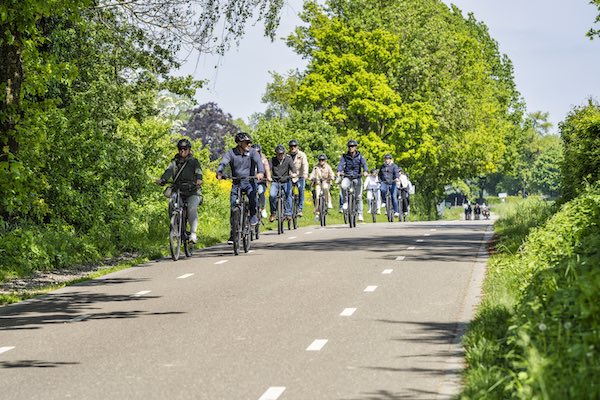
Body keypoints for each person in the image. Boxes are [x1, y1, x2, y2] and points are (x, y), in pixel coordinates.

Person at [216, 132, 265, 244]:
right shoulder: (231, 153)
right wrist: (219, 171)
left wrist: (261, 172)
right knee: (233, 208)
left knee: (253, 199)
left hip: (249, 182)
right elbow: (223, 162)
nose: (249, 144)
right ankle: (233, 234)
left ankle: (253, 216)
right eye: (246, 142)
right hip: (237, 183)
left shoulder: (253, 152)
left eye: (250, 142)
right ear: (239, 143)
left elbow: (259, 163)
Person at [156, 138, 203, 243]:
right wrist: (163, 179)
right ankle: (177, 230)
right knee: (171, 205)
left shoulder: (193, 161)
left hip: (193, 191)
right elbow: (168, 171)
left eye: (185, 149)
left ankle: (193, 234)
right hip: (178, 191)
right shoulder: (174, 162)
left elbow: (198, 171)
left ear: (189, 150)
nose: (183, 151)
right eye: (180, 149)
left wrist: (199, 179)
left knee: (191, 208)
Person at [337, 139, 369, 221]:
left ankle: (360, 214)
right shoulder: (344, 156)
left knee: (358, 197)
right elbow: (341, 164)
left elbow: (364, 164)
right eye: (350, 146)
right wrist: (339, 171)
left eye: (353, 146)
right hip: (347, 176)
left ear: (355, 147)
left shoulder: (360, 156)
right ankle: (345, 202)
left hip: (357, 177)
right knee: (343, 186)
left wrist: (365, 171)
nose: (351, 148)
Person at [269, 144, 297, 222]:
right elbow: (268, 169)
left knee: (288, 194)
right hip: (275, 181)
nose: (280, 155)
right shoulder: (272, 160)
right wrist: (268, 176)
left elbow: (293, 168)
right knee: (272, 195)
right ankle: (273, 213)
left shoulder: (288, 159)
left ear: (284, 153)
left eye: (281, 154)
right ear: (276, 154)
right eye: (278, 154)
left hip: (286, 181)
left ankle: (288, 213)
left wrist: (294, 174)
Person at [309, 154, 335, 219]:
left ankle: (328, 202)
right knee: (317, 197)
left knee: (325, 187)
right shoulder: (316, 167)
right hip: (318, 184)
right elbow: (312, 174)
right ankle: (317, 212)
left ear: (325, 160)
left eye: (323, 160)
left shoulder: (328, 167)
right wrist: (311, 178)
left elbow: (332, 174)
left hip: (326, 182)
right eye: (320, 160)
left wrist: (332, 177)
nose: (321, 161)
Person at [287, 139, 309, 217]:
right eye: (291, 146)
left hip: (300, 176)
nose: (293, 147)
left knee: (301, 189)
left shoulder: (302, 155)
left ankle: (300, 209)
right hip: (290, 176)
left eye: (294, 146)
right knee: (288, 192)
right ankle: (288, 210)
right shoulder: (287, 155)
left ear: (297, 147)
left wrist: (305, 174)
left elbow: (305, 164)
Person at [252, 144, 271, 219]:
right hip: (252, 180)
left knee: (260, 192)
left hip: (261, 181)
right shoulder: (248, 158)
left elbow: (267, 169)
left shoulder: (263, 159)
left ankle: (262, 208)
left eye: (258, 152)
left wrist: (268, 177)